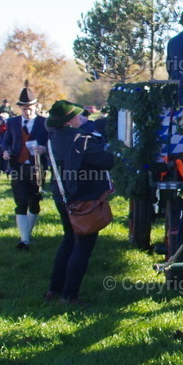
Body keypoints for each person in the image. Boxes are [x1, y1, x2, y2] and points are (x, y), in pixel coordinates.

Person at [45, 100, 114, 306]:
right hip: (83, 200)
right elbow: (107, 161)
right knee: (82, 246)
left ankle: (53, 290)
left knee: (68, 240)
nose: (81, 117)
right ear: (68, 122)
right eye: (77, 116)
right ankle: (69, 295)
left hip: (62, 196)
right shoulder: (81, 139)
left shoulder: (53, 137)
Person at [0, 84, 48, 250]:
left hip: (37, 167)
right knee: (20, 202)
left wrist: (45, 149)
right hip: (17, 166)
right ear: (19, 108)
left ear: (36, 107)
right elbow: (6, 141)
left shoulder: (44, 123)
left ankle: (27, 233)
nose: (27, 111)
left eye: (30, 108)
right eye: (24, 108)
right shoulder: (12, 122)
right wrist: (5, 151)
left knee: (34, 201)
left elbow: (51, 143)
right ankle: (24, 240)